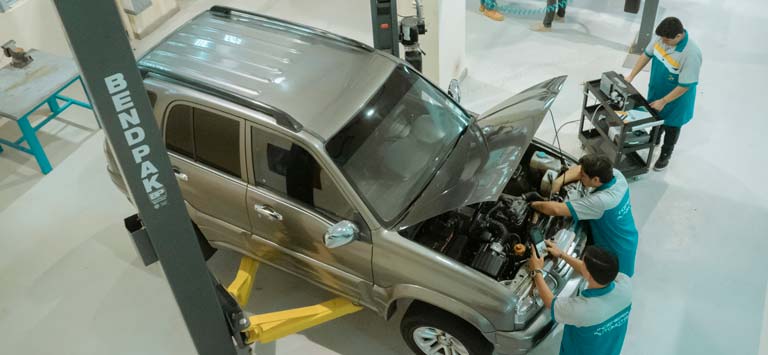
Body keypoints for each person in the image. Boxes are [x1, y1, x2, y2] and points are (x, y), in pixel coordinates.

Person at [527, 154, 639, 277]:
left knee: (611, 282)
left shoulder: (602, 201)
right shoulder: (616, 176)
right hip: (624, 234)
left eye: (583, 176)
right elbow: (579, 169)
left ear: (596, 180)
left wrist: (531, 203)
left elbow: (556, 210)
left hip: (616, 249)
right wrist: (559, 181)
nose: (580, 176)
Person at [626, 17, 702, 171]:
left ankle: (666, 154)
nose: (663, 42)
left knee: (671, 127)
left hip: (677, 100)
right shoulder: (662, 37)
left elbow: (685, 85)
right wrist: (631, 76)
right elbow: (646, 55)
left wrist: (664, 101)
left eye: (667, 40)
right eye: (662, 39)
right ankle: (655, 139)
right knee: (655, 118)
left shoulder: (691, 53)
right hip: (657, 89)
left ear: (679, 36)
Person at [529, 242, 632, 355]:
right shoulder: (625, 285)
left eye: (583, 263)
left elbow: (550, 302)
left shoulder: (583, 310)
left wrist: (537, 270)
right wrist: (562, 254)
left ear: (588, 275)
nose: (581, 263)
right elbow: (589, 270)